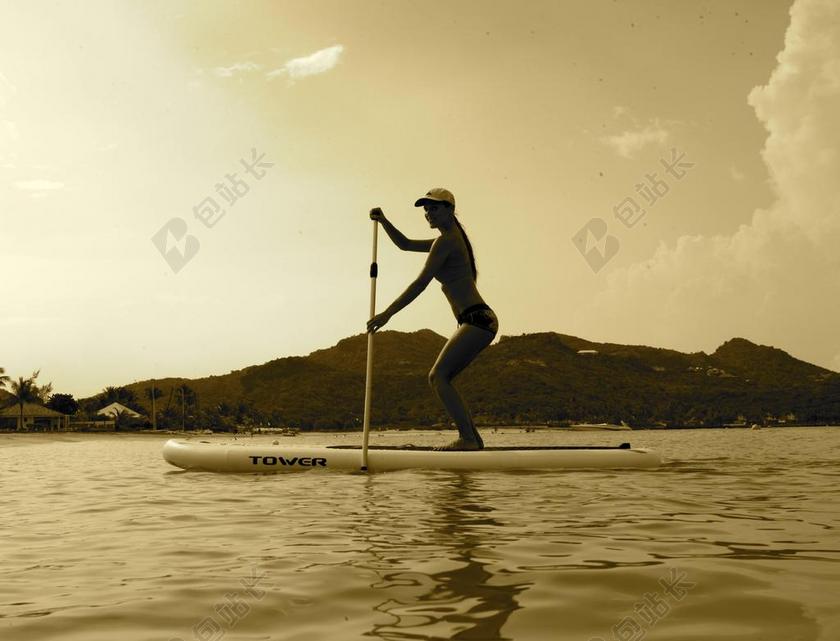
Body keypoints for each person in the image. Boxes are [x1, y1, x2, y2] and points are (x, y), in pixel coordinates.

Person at [366, 188, 499, 451]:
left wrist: (387, 313)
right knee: (442, 378)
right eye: (426, 210)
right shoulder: (448, 240)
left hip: (477, 319)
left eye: (434, 208)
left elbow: (420, 283)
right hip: (478, 320)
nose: (428, 213)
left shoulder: (447, 241)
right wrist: (383, 221)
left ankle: (468, 439)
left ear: (450, 210)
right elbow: (405, 244)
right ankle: (473, 440)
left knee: (437, 377)